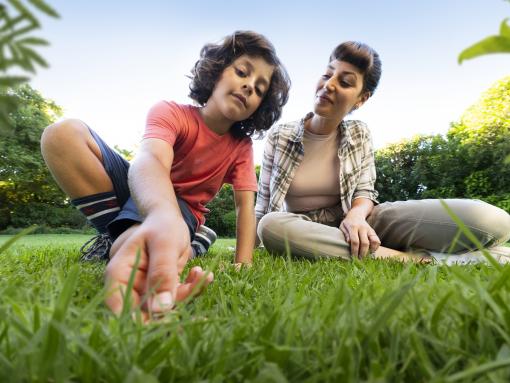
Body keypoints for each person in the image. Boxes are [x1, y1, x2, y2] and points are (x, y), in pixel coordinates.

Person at [41, 31, 290, 319]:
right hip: (143, 186)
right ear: (217, 71)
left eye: (260, 89)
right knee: (61, 134)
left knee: (141, 238)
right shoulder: (170, 112)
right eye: (242, 72)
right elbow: (151, 160)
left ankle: (134, 240)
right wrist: (161, 215)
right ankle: (173, 238)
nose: (249, 86)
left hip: (184, 209)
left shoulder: (241, 147)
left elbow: (245, 205)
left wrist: (242, 263)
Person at [256, 41, 510, 263]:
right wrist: (247, 251)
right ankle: (415, 260)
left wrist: (356, 217)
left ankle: (375, 246)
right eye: (327, 75)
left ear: (361, 99)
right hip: (302, 228)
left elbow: (365, 191)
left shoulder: (359, 133)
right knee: (270, 225)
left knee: (493, 221)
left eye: (344, 82)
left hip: (358, 220)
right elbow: (263, 205)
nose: (329, 85)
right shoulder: (280, 135)